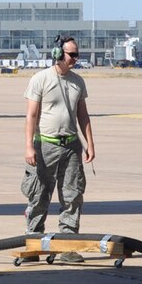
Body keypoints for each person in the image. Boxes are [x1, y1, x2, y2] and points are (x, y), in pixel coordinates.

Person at [22, 34, 95, 263]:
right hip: (46, 145)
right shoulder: (40, 79)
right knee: (39, 195)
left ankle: (67, 246)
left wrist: (90, 143)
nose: (75, 58)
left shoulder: (78, 82)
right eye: (71, 54)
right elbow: (31, 115)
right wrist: (29, 147)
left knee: (73, 196)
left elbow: (82, 114)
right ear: (57, 54)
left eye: (77, 54)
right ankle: (34, 244)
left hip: (71, 146)